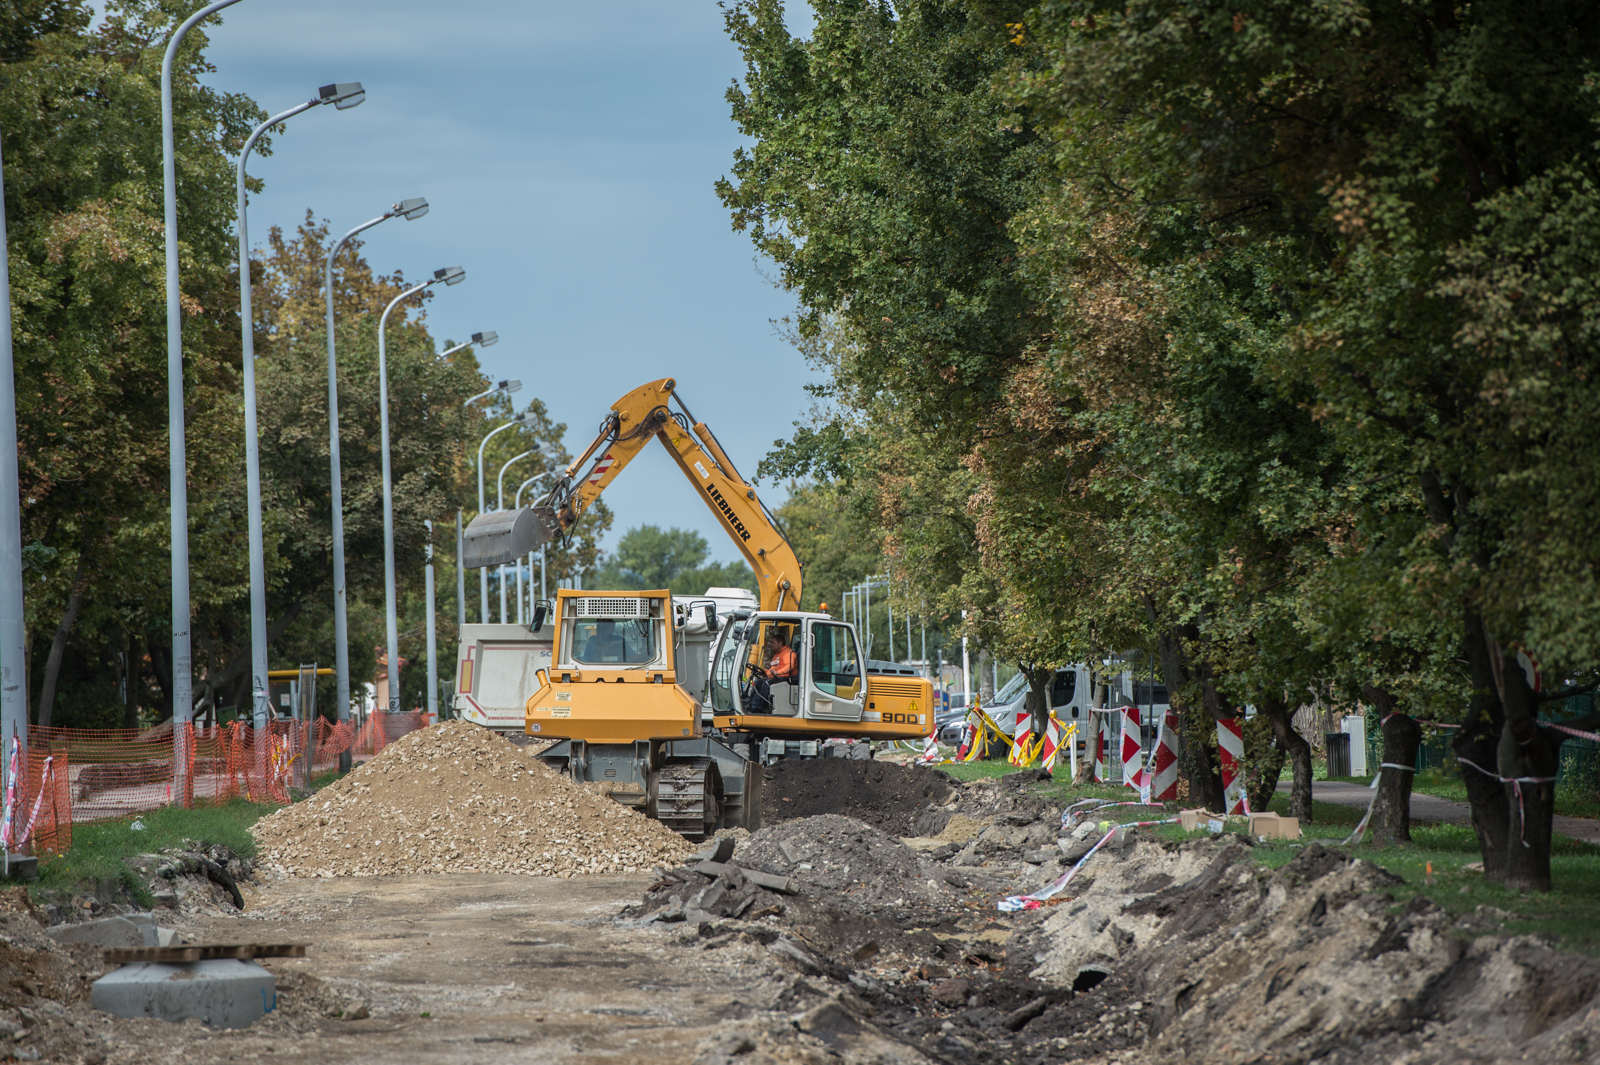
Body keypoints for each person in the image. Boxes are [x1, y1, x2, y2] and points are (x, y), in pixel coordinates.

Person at [743, 629, 797, 711]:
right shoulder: (777, 654)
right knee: (757, 682)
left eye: (773, 643)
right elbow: (773, 668)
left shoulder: (788, 653)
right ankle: (753, 705)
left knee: (766, 684)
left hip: (784, 678)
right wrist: (764, 673)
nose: (771, 645)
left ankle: (760, 708)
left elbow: (789, 666)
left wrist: (778, 672)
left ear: (780, 643)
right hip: (776, 677)